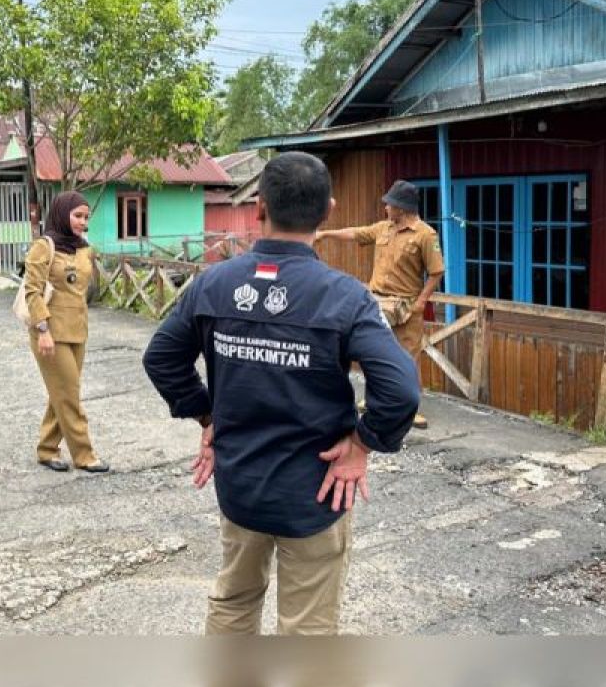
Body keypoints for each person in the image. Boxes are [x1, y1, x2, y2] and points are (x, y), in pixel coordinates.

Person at [143, 151, 419, 635]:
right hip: (314, 493)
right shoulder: (344, 295)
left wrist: (207, 416)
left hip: (240, 485)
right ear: (329, 209)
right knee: (308, 632)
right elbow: (399, 388)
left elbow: (161, 359)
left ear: (259, 208)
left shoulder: (214, 283)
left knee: (233, 602)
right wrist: (362, 444)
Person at [314, 179, 443, 429]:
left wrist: (421, 302)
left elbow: (436, 272)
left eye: (389, 204)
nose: (385, 208)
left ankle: (411, 409)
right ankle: (373, 400)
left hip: (406, 306)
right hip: (377, 301)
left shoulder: (426, 235)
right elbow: (355, 233)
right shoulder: (384, 228)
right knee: (373, 352)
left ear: (402, 208)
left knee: (407, 357)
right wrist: (326, 234)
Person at [23, 191, 109, 473]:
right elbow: (32, 292)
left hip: (78, 331)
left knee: (62, 392)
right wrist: (43, 329)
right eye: (77, 216)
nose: (83, 222)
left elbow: (83, 289)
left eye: (86, 217)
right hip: (50, 332)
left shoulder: (85, 248)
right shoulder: (43, 247)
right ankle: (84, 454)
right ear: (62, 214)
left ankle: (47, 449)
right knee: (69, 394)